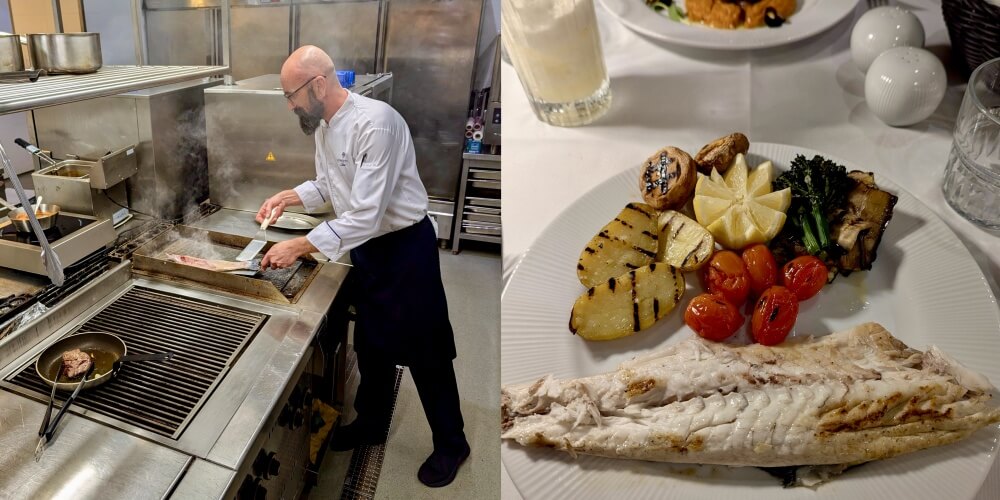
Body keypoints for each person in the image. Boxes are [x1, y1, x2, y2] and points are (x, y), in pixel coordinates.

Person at [256, 45, 470, 488]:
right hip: (368, 248)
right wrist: (287, 196)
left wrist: (301, 246)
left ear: (318, 84)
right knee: (372, 345)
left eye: (291, 95)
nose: (290, 105)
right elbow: (329, 186)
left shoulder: (377, 124)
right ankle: (371, 422)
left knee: (427, 353)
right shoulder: (322, 125)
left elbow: (367, 213)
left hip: (405, 249)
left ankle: (452, 443)